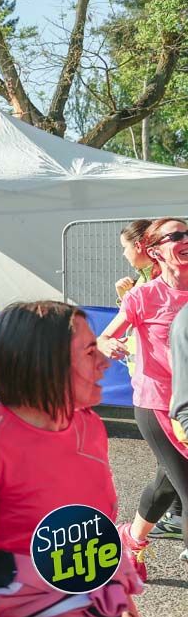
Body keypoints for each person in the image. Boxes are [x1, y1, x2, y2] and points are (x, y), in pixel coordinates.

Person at [0, 301, 141, 616]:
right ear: (45, 364)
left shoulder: (90, 425)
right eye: (90, 352)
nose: (104, 363)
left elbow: (91, 534)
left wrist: (123, 600)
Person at [97, 217, 188, 573]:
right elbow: (105, 336)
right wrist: (108, 343)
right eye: (176, 235)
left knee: (165, 485)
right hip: (158, 405)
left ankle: (131, 541)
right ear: (154, 251)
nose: (186, 239)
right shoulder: (144, 295)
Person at [115, 220, 181, 540]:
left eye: (125, 247)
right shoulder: (145, 285)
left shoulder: (164, 277)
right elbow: (125, 325)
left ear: (142, 246)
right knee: (172, 470)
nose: (124, 254)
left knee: (168, 474)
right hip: (155, 394)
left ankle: (135, 537)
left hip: (175, 393)